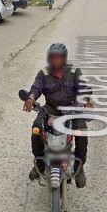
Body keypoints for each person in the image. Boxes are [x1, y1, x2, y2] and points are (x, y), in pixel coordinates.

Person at [23, 43, 89, 188]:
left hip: (71, 108)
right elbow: (36, 87)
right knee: (36, 128)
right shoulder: (44, 73)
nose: (56, 60)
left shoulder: (74, 71)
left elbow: (83, 87)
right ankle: (39, 164)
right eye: (53, 57)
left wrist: (85, 99)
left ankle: (79, 167)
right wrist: (31, 98)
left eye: (59, 57)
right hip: (50, 108)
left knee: (81, 131)